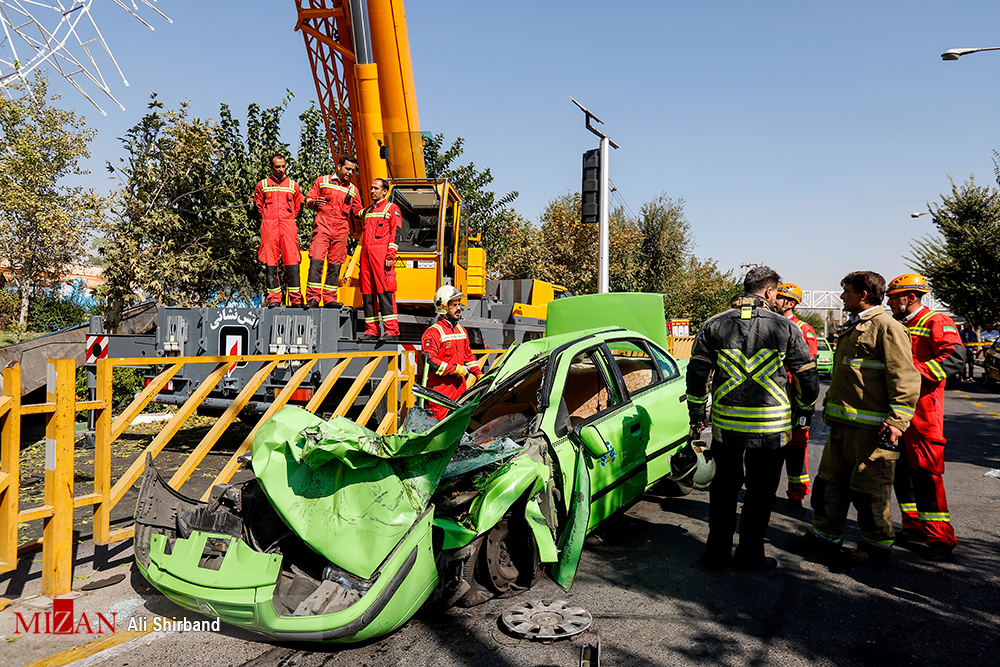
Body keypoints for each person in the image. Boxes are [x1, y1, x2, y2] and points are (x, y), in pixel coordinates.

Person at [686, 266, 819, 572]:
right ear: (770, 292)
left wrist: (696, 414)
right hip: (770, 430)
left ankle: (717, 554)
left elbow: (697, 374)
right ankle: (750, 554)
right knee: (760, 495)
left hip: (726, 428)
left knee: (722, 492)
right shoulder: (786, 328)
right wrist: (804, 410)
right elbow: (807, 377)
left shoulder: (713, 325)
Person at [795, 271, 920, 564]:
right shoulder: (855, 327)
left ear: (863, 294)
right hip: (841, 427)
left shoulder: (887, 327)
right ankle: (825, 535)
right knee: (829, 483)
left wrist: (897, 420)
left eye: (847, 291)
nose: (842, 297)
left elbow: (905, 377)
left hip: (871, 431)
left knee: (869, 491)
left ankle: (875, 546)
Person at [886, 273, 963, 561]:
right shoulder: (899, 324)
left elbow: (955, 358)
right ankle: (914, 525)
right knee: (901, 472)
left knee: (927, 474)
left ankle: (940, 538)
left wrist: (913, 374)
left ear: (912, 297)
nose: (891, 302)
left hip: (924, 412)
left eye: (895, 297)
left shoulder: (936, 321)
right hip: (899, 410)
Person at [774, 283, 818, 507]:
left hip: (794, 399)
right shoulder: (772, 325)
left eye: (780, 298)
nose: (775, 301)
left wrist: (804, 407)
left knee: (796, 448)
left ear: (790, 304)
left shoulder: (804, 329)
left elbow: (807, 373)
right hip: (774, 399)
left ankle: (797, 494)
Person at [304, 156, 363, 309]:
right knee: (316, 262)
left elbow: (357, 212)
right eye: (347, 169)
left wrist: (369, 211)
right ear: (339, 167)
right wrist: (314, 202)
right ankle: (313, 298)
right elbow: (308, 199)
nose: (350, 173)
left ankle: (329, 298)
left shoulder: (353, 190)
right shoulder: (322, 181)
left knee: (335, 265)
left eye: (352, 171)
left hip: (342, 229)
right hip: (323, 226)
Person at [421, 286, 483, 419]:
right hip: (441, 395)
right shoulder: (433, 332)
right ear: (443, 307)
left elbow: (468, 356)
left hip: (460, 392)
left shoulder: (461, 330)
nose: (459, 308)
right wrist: (455, 370)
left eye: (459, 304)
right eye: (454, 305)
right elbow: (430, 361)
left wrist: (478, 374)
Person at [254, 154, 305, 307]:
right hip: (269, 227)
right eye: (277, 167)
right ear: (271, 167)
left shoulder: (293, 185)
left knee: (292, 263)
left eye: (283, 166)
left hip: (288, 226)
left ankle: (296, 300)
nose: (281, 169)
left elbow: (299, 207)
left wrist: (287, 220)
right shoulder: (262, 185)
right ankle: (274, 299)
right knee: (270, 263)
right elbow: (258, 207)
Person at [358, 178, 402, 342]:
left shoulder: (392, 208)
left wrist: (390, 255)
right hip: (366, 256)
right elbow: (355, 212)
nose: (372, 191)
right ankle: (372, 330)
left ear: (385, 191)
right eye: (371, 188)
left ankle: (391, 330)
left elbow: (395, 233)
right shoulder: (368, 210)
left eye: (376, 188)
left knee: (385, 292)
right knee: (367, 294)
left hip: (382, 256)